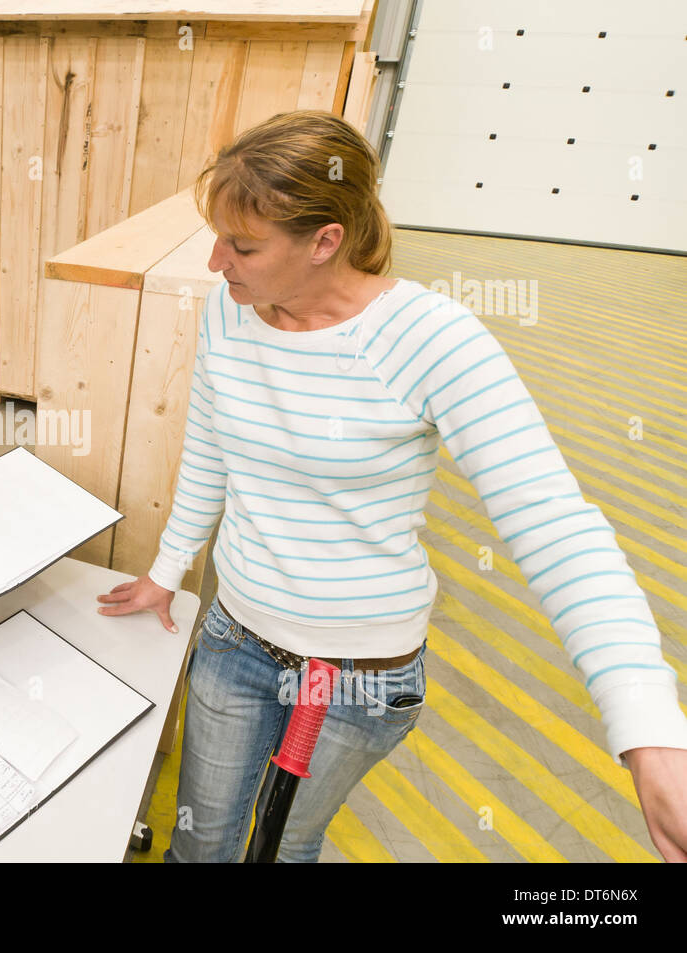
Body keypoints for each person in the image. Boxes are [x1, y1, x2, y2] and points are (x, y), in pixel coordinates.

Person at [97, 110, 687, 862]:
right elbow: (211, 447)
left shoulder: (434, 339)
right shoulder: (230, 313)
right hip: (234, 640)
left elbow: (556, 526)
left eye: (242, 245)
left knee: (285, 847)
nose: (217, 261)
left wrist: (649, 727)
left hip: (358, 682)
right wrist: (166, 570)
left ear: (324, 241)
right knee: (200, 841)